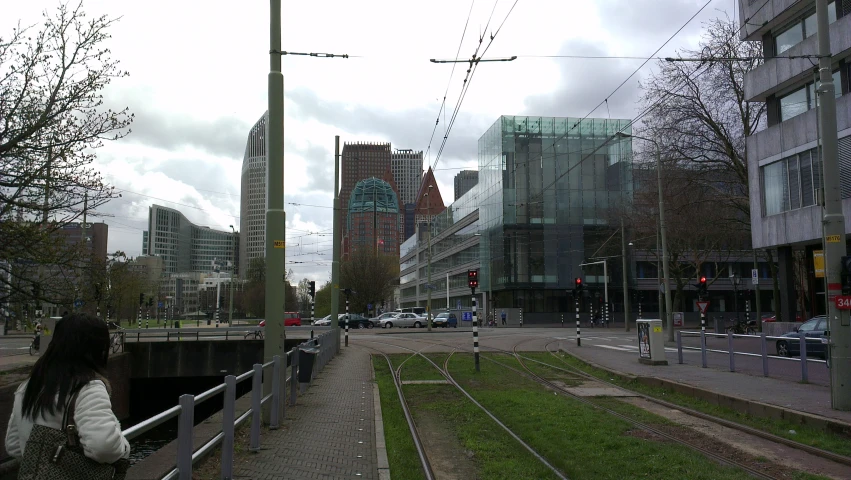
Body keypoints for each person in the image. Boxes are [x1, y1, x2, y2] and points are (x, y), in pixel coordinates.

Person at [5, 313, 130, 464]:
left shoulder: (28, 386)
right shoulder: (88, 388)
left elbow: (13, 445)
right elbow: (105, 448)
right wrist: (124, 448)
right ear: (97, 348)